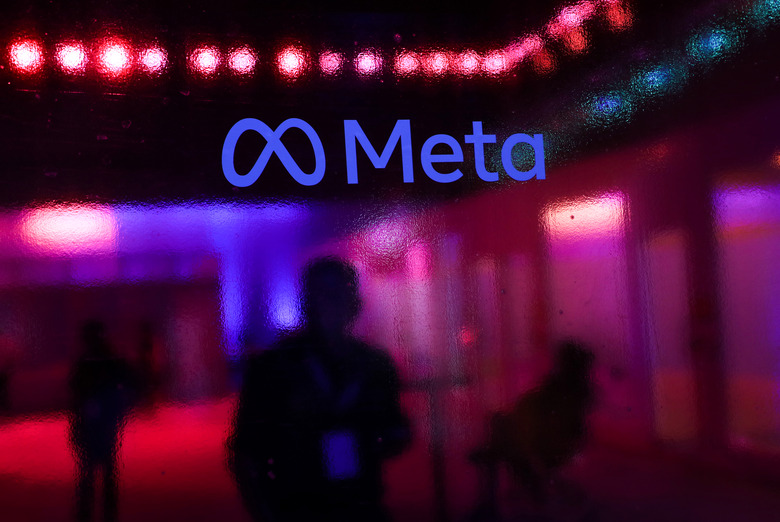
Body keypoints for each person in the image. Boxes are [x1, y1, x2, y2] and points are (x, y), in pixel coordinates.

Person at [229, 257, 411, 522]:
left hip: (362, 503)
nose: (332, 303)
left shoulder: (375, 365)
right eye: (324, 294)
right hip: (298, 507)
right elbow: (246, 451)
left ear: (355, 302)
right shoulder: (273, 367)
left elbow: (395, 430)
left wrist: (375, 437)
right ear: (307, 303)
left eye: (339, 294)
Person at [471, 341, 595, 519]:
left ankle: (506, 492)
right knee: (498, 439)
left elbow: (544, 417)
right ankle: (526, 483)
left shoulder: (562, 389)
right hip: (550, 442)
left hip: (543, 444)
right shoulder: (577, 390)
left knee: (497, 436)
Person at [69, 321, 137, 522]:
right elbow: (129, 380)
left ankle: (88, 513)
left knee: (91, 470)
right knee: (105, 468)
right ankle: (106, 512)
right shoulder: (109, 358)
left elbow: (76, 390)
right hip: (104, 421)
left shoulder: (88, 361)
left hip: (96, 421)